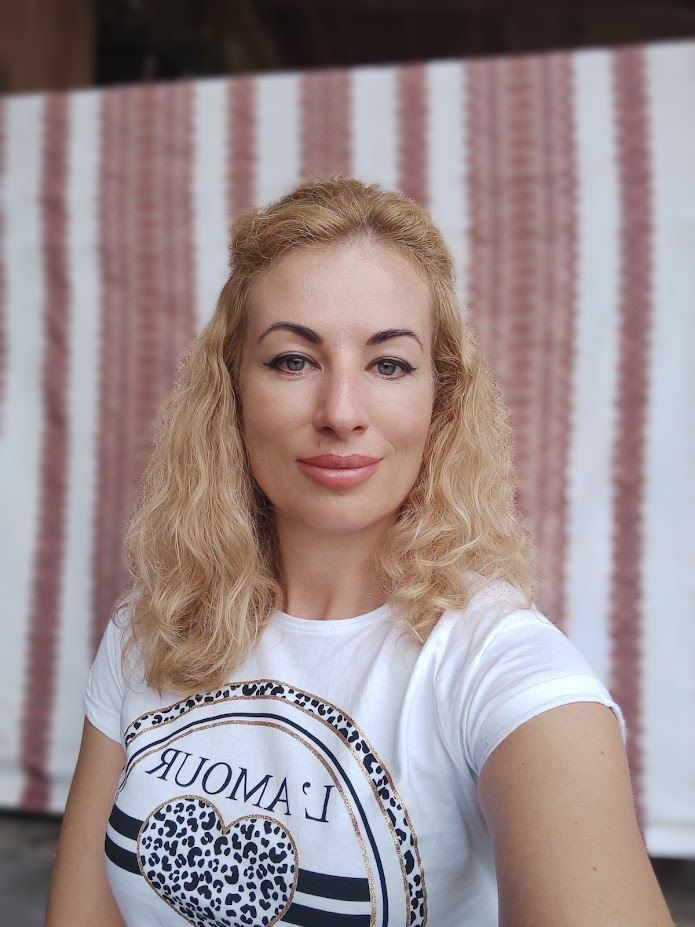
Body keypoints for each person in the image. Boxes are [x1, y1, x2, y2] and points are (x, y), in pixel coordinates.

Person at [45, 175, 674, 927]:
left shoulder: (501, 670)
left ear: (440, 399)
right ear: (230, 391)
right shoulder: (149, 629)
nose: (341, 412)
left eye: (388, 364)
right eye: (292, 360)